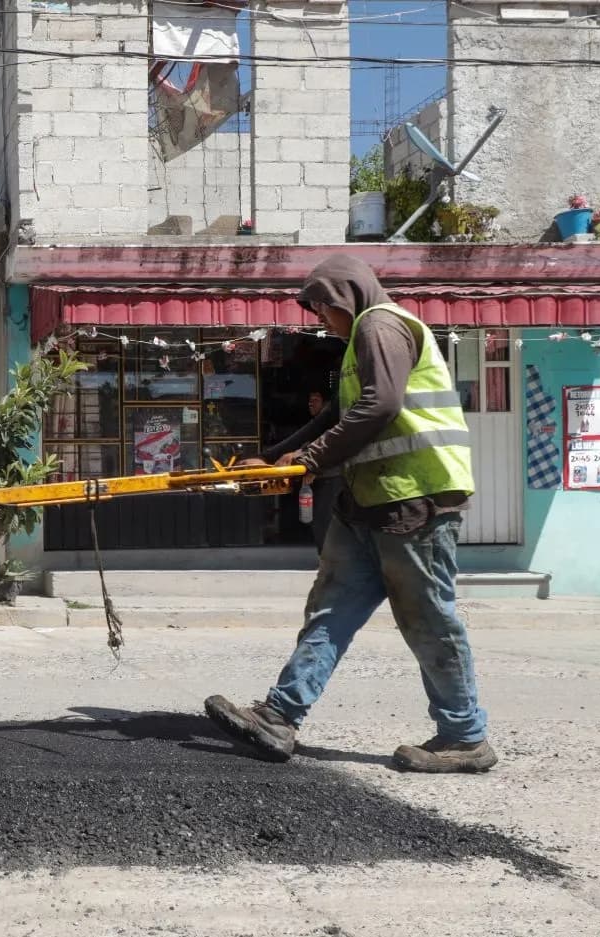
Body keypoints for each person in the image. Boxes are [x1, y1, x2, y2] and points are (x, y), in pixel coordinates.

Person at [205, 253, 496, 774]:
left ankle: (465, 737)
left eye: (321, 311)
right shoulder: (364, 336)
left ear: (343, 296)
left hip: (415, 501)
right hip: (365, 502)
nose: (321, 322)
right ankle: (280, 714)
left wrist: (310, 463)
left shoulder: (380, 326)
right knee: (330, 609)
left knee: (428, 619)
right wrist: (275, 457)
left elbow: (380, 406)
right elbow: (340, 416)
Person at [246, 388, 344, 553]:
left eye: (317, 399)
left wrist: (307, 455)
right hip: (330, 477)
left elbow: (347, 432)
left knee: (332, 539)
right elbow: (316, 427)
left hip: (347, 478)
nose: (311, 403)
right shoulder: (331, 412)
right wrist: (266, 457)